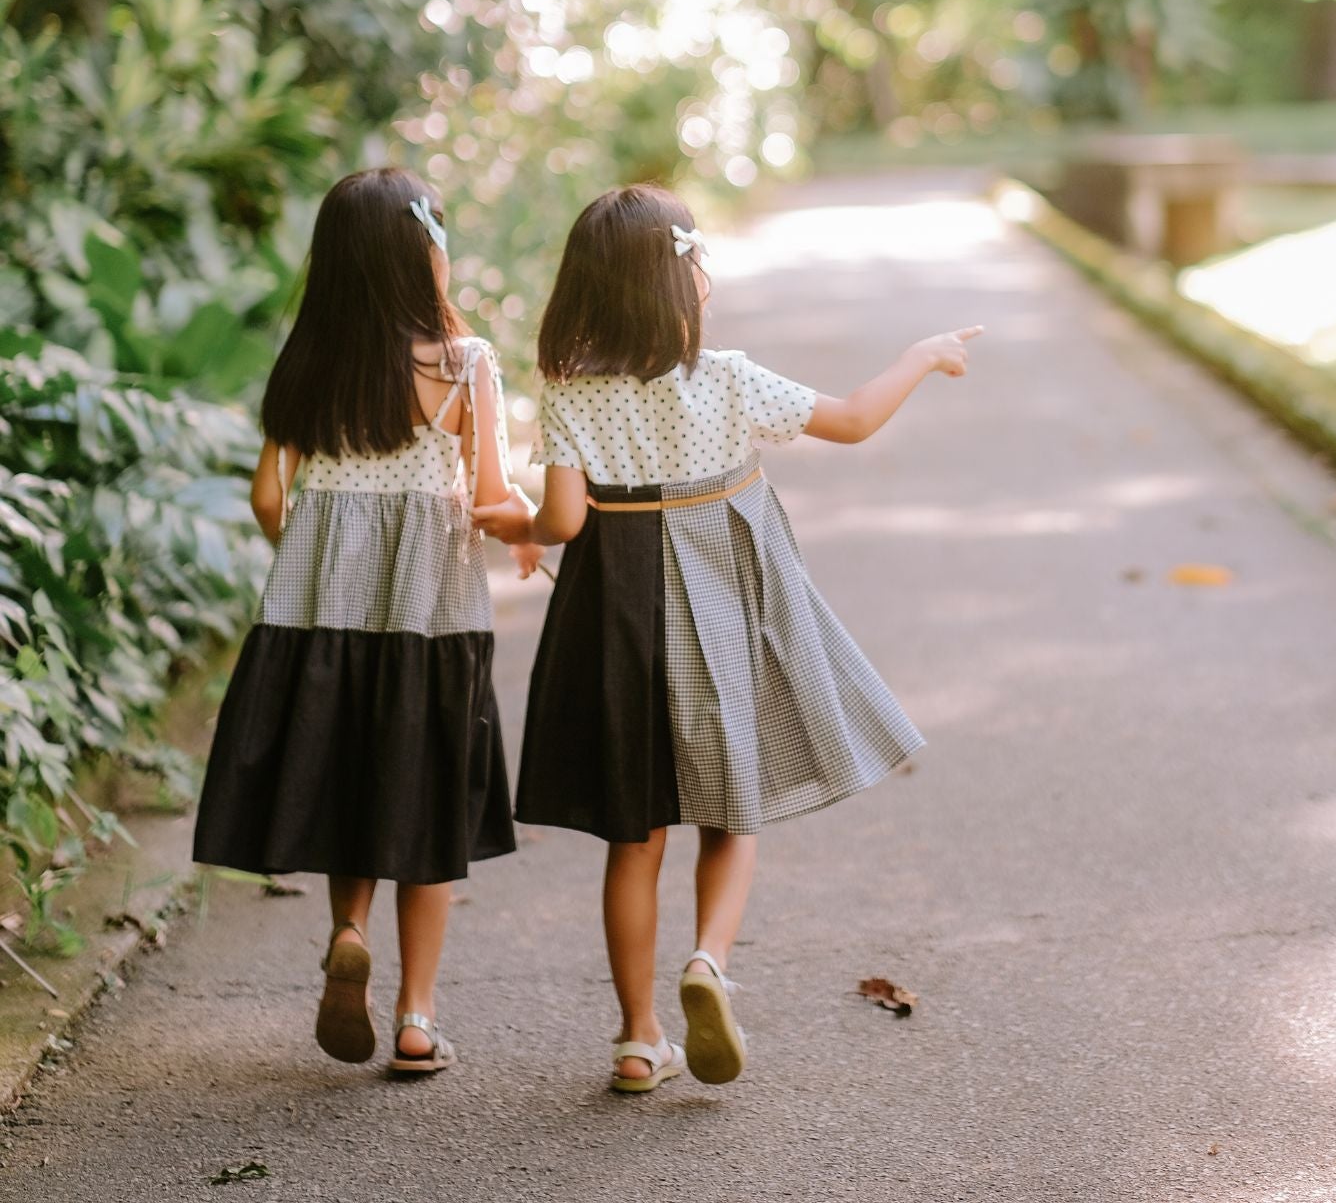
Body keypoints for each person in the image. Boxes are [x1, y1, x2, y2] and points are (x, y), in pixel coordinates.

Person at [478, 184, 979, 1093]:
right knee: (728, 811)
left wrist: (510, 525)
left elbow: (562, 520)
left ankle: (637, 1040)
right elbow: (856, 421)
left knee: (634, 840)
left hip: (618, 621)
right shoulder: (729, 376)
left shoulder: (572, 392)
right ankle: (708, 961)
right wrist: (920, 356)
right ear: (680, 280)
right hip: (720, 611)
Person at [194, 168, 536, 1076]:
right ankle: (417, 1020)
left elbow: (269, 495)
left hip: (322, 617)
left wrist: (308, 538)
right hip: (433, 619)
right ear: (423, 252)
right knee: (424, 809)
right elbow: (493, 499)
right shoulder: (465, 365)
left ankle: (348, 930)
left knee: (350, 784)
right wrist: (535, 529)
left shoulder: (309, 364)